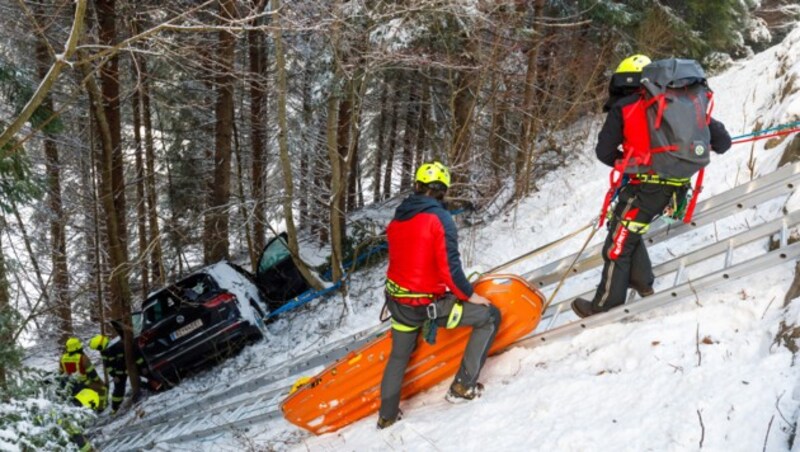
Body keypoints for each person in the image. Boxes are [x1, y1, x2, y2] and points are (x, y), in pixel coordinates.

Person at [571, 55, 732, 318]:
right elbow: (723, 143)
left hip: (645, 187)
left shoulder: (624, 107)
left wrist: (628, 161)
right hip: (676, 188)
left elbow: (604, 152)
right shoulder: (685, 103)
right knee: (625, 228)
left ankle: (604, 305)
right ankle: (641, 281)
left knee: (616, 246)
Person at [377, 161, 501, 429]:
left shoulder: (398, 219)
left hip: (397, 303)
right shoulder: (440, 219)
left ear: (418, 186)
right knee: (489, 316)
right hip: (425, 306)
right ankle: (462, 387)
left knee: (399, 356)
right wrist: (469, 295)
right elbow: (450, 270)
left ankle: (386, 416)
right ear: (443, 190)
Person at [89, 334, 151, 414]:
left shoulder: (119, 345)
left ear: (101, 344)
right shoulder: (104, 352)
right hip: (119, 374)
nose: (98, 350)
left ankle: (158, 385)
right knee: (118, 391)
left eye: (98, 348)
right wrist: (114, 375)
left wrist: (143, 366)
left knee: (147, 375)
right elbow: (108, 365)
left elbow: (136, 355)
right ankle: (115, 408)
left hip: (132, 367)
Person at [59, 337, 107, 409]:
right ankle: (101, 408)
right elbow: (92, 373)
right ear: (78, 346)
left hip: (69, 384)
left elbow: (60, 373)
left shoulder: (62, 358)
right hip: (82, 383)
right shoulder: (82, 358)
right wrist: (98, 381)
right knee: (102, 389)